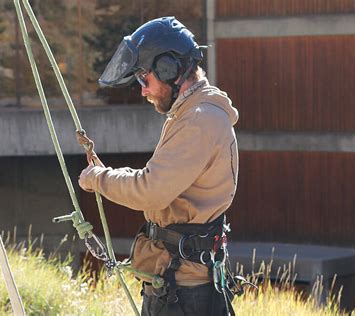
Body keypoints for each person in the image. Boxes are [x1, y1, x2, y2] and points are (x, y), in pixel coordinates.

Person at [78, 17, 240, 315]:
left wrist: (98, 179)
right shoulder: (191, 114)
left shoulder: (199, 120)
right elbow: (158, 181)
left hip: (185, 293)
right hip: (177, 284)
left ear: (170, 70)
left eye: (144, 78)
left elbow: (151, 191)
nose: (142, 90)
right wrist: (110, 175)